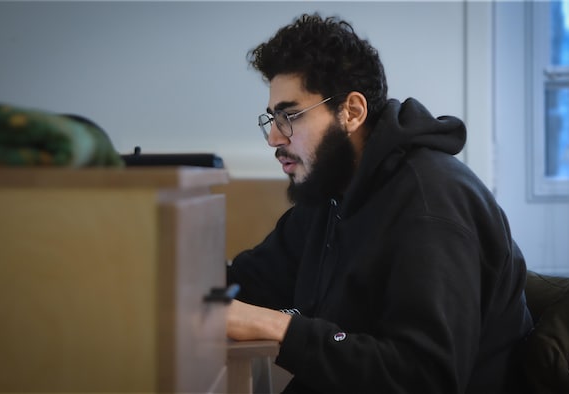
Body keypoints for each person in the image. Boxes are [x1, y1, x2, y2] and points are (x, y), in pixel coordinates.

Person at [226, 13, 533, 394]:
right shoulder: (332, 190)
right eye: (272, 119)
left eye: (290, 116)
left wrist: (277, 327)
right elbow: (248, 281)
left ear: (352, 112)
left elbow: (424, 377)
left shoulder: (430, 205)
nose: (273, 137)